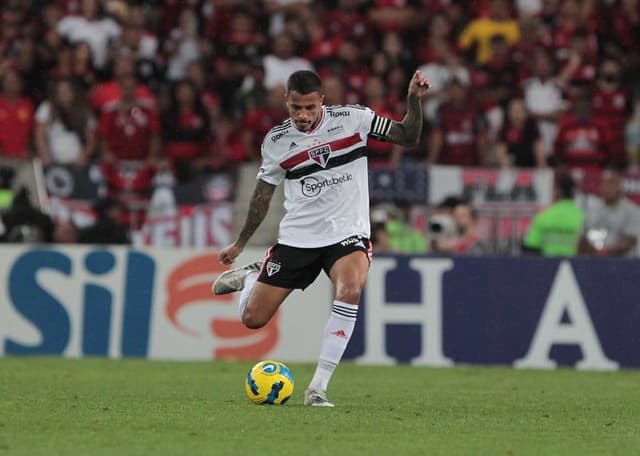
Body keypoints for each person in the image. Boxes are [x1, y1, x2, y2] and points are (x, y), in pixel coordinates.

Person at [212, 69, 430, 407]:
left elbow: (408, 136)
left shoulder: (353, 119)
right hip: (299, 237)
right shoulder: (276, 141)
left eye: (309, 108)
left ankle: (317, 388)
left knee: (350, 288)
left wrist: (413, 101)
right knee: (252, 320)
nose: (302, 115)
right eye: (296, 108)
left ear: (321, 101)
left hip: (347, 233)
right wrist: (240, 243)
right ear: (286, 101)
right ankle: (254, 274)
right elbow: (262, 196)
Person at [578, 168, 639, 257]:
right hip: (593, 261)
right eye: (605, 183)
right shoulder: (592, 210)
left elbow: (630, 241)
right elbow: (583, 238)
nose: (608, 188)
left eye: (612, 183)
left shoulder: (631, 210)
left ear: (620, 186)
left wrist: (605, 252)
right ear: (600, 186)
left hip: (622, 263)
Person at [522, 173, 583, 256]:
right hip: (575, 265)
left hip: (547, 265)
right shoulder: (582, 216)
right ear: (574, 194)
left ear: (557, 192)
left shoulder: (543, 216)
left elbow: (530, 245)